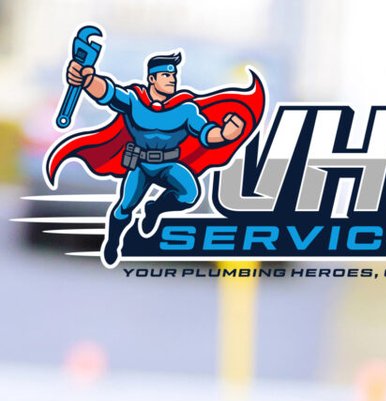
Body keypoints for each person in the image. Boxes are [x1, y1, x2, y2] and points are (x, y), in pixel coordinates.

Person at [62, 50, 248, 264]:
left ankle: (154, 209)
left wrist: (226, 134)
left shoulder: (186, 109)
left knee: (190, 194)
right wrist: (87, 79)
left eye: (174, 75)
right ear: (152, 78)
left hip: (168, 165)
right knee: (125, 207)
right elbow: (108, 92)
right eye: (166, 76)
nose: (172, 80)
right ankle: (113, 241)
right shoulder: (134, 101)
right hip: (141, 166)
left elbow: (206, 134)